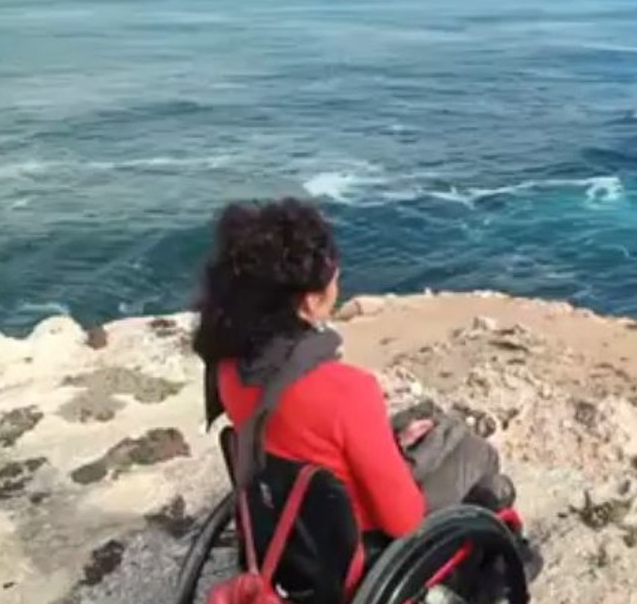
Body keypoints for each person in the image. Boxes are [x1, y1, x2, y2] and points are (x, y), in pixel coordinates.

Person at [192, 197, 510, 545]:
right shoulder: (347, 390)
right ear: (311, 300)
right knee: (475, 451)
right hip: (355, 547)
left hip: (292, 533)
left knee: (417, 437)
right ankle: (490, 551)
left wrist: (387, 445)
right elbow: (403, 521)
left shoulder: (226, 368)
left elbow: (303, 438)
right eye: (333, 278)